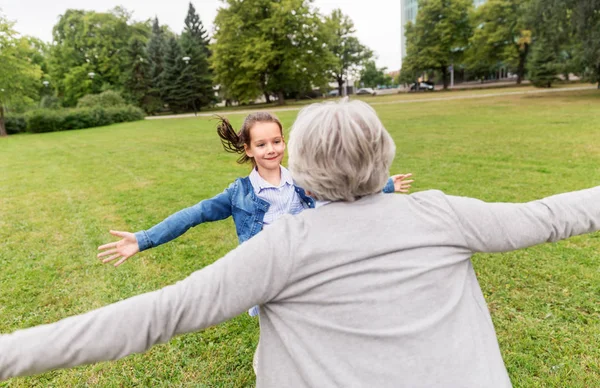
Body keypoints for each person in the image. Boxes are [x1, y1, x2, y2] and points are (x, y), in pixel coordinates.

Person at [1, 99, 599, 387]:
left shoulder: (283, 246)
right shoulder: (439, 213)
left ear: (301, 163)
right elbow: (557, 213)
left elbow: (157, 315)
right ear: (384, 152)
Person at [96, 112, 413, 269]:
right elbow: (194, 214)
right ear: (248, 149)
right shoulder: (239, 194)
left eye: (276, 141)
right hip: (267, 270)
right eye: (261, 144)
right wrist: (144, 238)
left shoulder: (304, 179)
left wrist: (386, 185)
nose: (271, 149)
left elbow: (341, 195)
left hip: (310, 260)